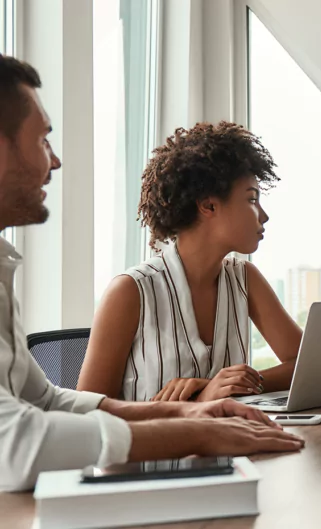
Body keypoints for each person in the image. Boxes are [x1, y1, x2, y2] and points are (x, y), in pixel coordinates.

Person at [0, 55, 302, 491]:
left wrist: (191, 411)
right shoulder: (132, 291)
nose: (57, 160)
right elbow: (14, 446)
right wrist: (193, 428)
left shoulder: (3, 269)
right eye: (44, 139)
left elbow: (48, 401)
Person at [76, 121, 302, 402]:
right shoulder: (130, 292)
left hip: (232, 443)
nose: (263, 215)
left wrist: (230, 386)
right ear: (208, 206)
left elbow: (307, 364)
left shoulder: (246, 279)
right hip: (153, 447)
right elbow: (87, 413)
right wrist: (203, 396)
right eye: (251, 199)